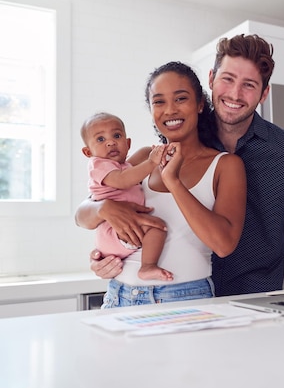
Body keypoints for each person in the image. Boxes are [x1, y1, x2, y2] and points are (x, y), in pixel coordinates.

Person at [86, 34, 284, 296]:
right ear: (211, 80)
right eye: (227, 79)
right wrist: (106, 242)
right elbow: (100, 201)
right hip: (177, 291)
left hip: (251, 294)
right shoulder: (178, 139)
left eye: (249, 85)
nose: (234, 94)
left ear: (264, 93)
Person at [75, 61, 247, 307]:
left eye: (180, 99)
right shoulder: (143, 157)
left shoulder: (225, 165)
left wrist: (173, 182)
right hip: (119, 295)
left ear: (200, 104)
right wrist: (103, 212)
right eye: (159, 102)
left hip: (185, 299)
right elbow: (81, 215)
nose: (170, 110)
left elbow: (224, 245)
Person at [80, 112, 172, 281]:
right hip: (113, 230)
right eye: (100, 139)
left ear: (128, 143)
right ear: (88, 151)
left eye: (117, 135)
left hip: (119, 231)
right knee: (157, 227)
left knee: (155, 227)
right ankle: (147, 267)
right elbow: (123, 180)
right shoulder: (99, 165)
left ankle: (147, 266)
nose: (111, 142)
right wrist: (152, 163)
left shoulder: (125, 165)